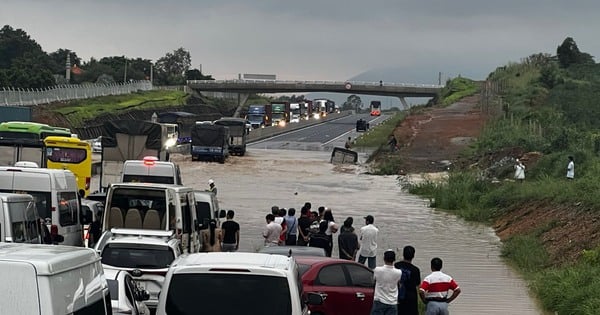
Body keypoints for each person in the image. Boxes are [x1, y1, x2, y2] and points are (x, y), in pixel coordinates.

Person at [371, 250, 403, 315]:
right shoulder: (398, 272)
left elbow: (373, 281)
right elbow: (399, 284)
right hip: (392, 302)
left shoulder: (377, 270)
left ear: (384, 258)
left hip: (379, 301)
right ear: (394, 259)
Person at [394, 246, 421, 315]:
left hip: (398, 296)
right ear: (413, 256)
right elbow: (418, 286)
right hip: (411, 298)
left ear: (403, 254)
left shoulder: (396, 266)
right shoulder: (415, 270)